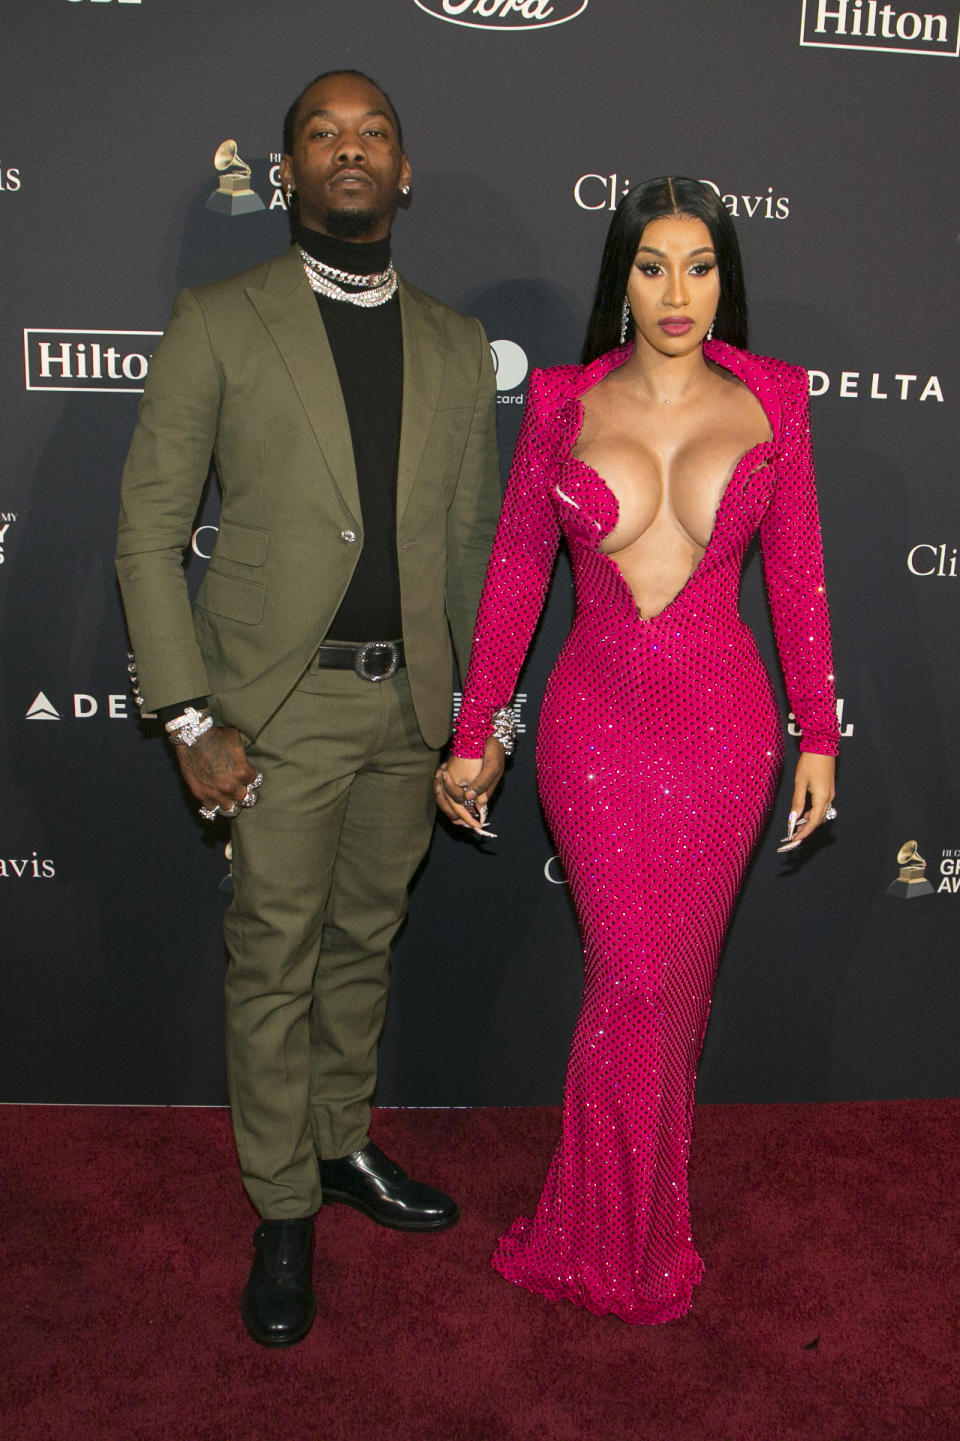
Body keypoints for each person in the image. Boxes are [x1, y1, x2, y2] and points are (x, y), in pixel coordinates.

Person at [116, 69, 500, 1347]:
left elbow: (472, 548)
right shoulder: (219, 318)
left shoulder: (451, 343)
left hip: (411, 716)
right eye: (323, 134)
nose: (351, 149)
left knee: (361, 950)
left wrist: (475, 718)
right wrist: (185, 715)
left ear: (404, 173)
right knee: (272, 962)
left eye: (374, 132)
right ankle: (282, 1209)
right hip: (274, 711)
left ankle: (340, 1147)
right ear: (288, 173)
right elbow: (148, 534)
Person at [436, 176, 839, 1325]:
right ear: (622, 277)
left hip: (723, 725)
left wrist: (820, 731)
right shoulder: (561, 403)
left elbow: (799, 576)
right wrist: (477, 735)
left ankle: (630, 1216)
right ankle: (611, 1234)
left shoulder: (777, 400)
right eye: (653, 264)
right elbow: (517, 573)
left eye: (701, 265)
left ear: (727, 279)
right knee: (633, 975)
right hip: (595, 726)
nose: (678, 290)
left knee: (675, 989)